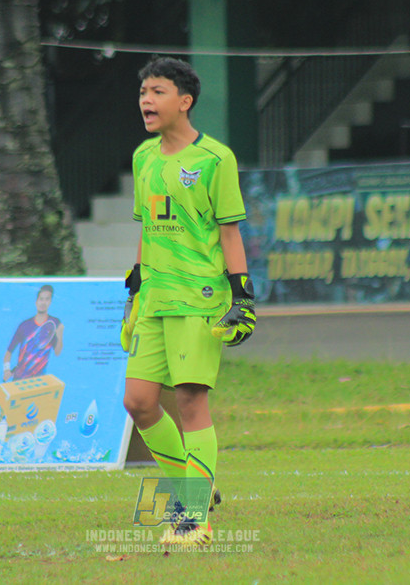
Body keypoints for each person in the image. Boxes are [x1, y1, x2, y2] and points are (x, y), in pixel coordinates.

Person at [120, 56, 256, 548]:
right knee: (138, 402)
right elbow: (146, 228)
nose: (146, 101)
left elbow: (229, 232)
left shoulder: (215, 159)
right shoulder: (143, 158)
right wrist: (135, 290)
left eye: (156, 92)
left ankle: (194, 518)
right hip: (155, 298)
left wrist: (242, 296)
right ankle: (197, 487)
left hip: (199, 298)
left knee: (192, 401)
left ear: (185, 101)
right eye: (142, 93)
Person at [3, 284, 64, 381]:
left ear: (50, 302)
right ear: (36, 301)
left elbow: (57, 352)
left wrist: (60, 334)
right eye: (41, 299)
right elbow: (9, 352)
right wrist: (6, 370)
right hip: (19, 379)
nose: (43, 302)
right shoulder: (24, 325)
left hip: (39, 381)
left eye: (47, 299)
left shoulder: (54, 323)